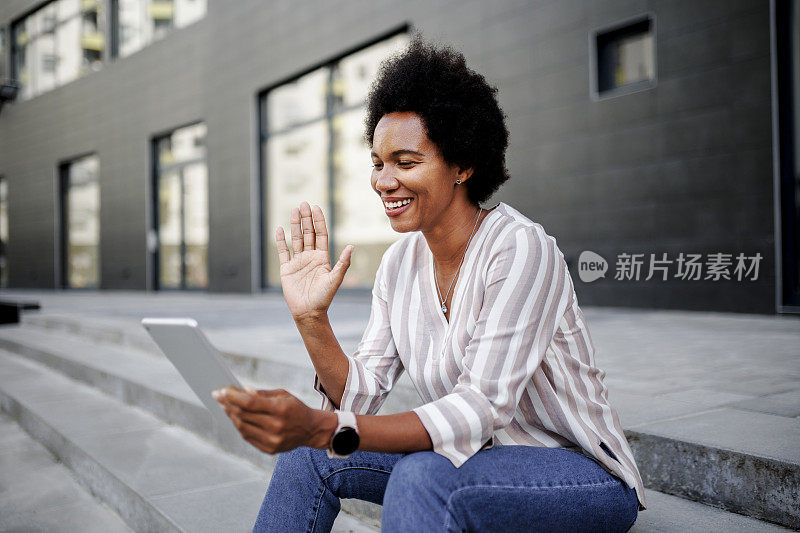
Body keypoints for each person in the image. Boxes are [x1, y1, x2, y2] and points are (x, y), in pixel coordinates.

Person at [213, 36, 647, 532]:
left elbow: (479, 408)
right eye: (378, 163)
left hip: (578, 476)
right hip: (467, 461)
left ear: (463, 164)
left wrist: (324, 423)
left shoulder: (521, 248)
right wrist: (311, 320)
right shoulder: (399, 265)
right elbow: (359, 397)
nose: (383, 181)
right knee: (309, 455)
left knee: (418, 474)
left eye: (406, 162)